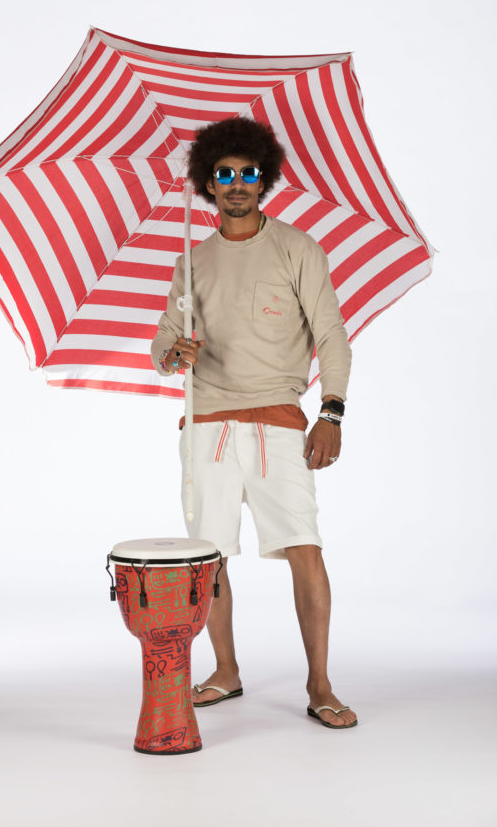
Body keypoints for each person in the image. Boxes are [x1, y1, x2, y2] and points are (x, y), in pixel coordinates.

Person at [150, 117, 357, 729]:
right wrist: (175, 354)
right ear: (207, 182)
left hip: (277, 420)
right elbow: (162, 345)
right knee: (207, 557)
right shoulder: (191, 262)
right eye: (224, 173)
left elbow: (331, 334)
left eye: (248, 172)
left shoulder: (297, 248)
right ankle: (226, 671)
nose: (236, 183)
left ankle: (320, 684)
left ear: (263, 179)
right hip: (207, 423)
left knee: (305, 547)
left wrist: (332, 411)